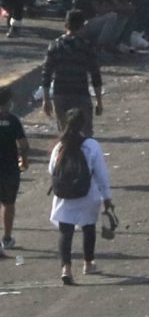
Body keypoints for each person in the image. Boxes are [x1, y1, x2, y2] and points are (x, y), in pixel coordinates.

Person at [47, 110, 107, 285]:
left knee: (66, 232)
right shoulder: (91, 145)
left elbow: (52, 170)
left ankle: (66, 268)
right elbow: (101, 173)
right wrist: (107, 197)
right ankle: (88, 263)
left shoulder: (59, 146)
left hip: (64, 195)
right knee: (89, 228)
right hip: (87, 193)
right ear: (83, 124)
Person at [0, 86, 24, 249]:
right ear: (8, 102)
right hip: (9, 169)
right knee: (9, 204)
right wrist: (25, 159)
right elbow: (24, 145)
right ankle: (7, 238)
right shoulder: (13, 120)